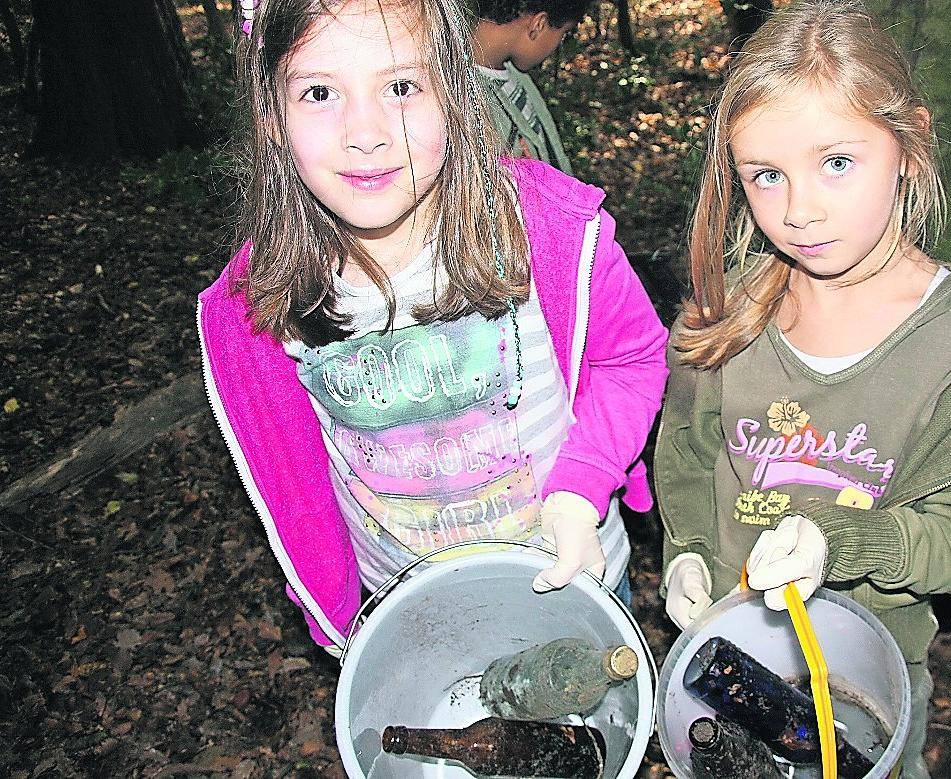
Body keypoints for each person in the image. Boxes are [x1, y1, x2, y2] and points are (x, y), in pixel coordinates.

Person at [199, 0, 667, 658]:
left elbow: (632, 359)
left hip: (571, 581)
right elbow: (294, 482)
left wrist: (581, 488)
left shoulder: (549, 231)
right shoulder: (259, 302)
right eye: (320, 92)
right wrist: (331, 610)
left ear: (453, 88)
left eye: (400, 86)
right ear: (271, 118)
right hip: (415, 616)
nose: (366, 133)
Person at [654, 1, 951, 775]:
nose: (800, 211)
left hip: (872, 678)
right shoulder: (725, 310)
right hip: (734, 656)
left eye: (836, 162)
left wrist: (836, 539)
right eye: (767, 175)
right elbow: (691, 458)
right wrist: (688, 552)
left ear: (909, 146)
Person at [470, 0, 594, 173]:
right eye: (563, 34)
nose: (558, 43)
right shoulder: (456, 98)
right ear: (538, 25)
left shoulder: (519, 78)